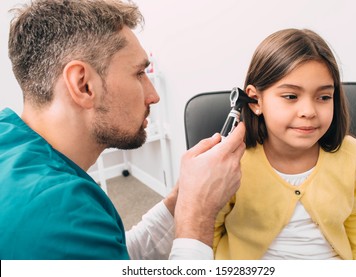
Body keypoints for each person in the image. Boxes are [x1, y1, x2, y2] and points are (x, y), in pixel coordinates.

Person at [0, 0, 246, 260]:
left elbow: (109, 255)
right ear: (83, 84)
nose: (153, 96)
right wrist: (199, 213)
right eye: (139, 73)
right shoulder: (57, 211)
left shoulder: (8, 136)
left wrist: (181, 201)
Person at [213, 28, 356, 260]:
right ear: (255, 101)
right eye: (291, 96)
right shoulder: (231, 162)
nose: (309, 112)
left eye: (323, 97)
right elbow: (206, 232)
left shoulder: (353, 155)